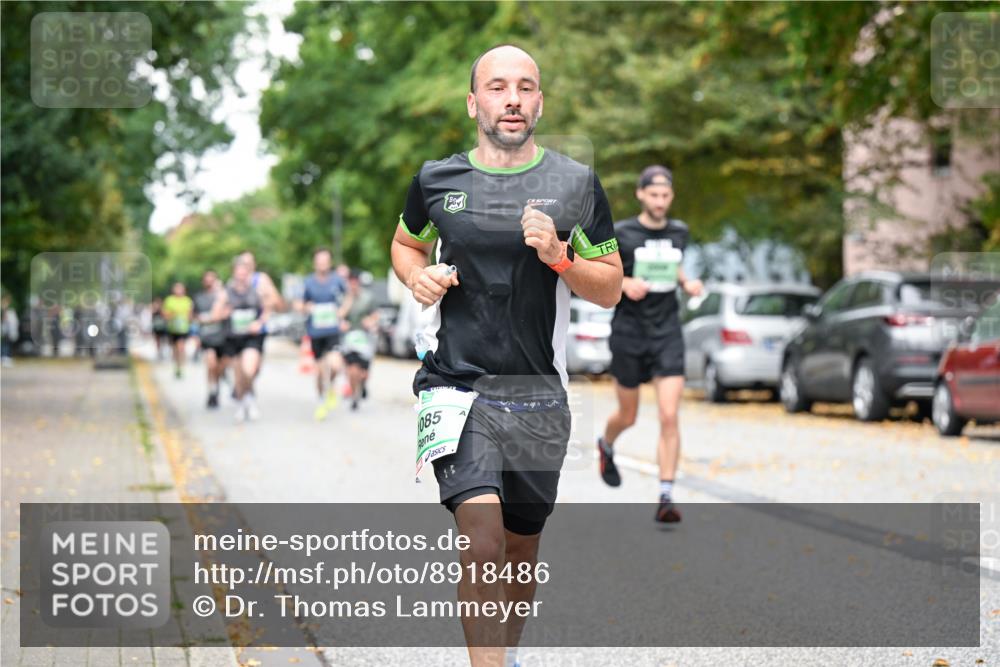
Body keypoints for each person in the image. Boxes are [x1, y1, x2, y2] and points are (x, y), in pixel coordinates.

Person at [390, 44, 622, 667]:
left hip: (539, 395)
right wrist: (417, 277)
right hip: (456, 388)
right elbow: (406, 244)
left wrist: (560, 257)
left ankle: (506, 656)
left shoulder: (574, 183)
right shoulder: (436, 179)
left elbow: (610, 286)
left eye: (525, 87)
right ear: (474, 103)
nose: (512, 98)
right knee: (482, 540)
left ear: (540, 101)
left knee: (520, 547)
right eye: (497, 87)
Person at [597, 165, 704, 524]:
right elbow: (602, 274)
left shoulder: (680, 232)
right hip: (629, 330)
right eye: (654, 195)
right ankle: (606, 444)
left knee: (669, 414)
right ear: (641, 194)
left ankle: (665, 495)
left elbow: (672, 266)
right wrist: (624, 283)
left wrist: (688, 284)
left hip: (667, 331)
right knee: (628, 415)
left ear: (671, 197)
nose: (660, 201)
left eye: (666, 195)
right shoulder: (622, 233)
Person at [214, 257, 270, 422]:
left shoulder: (257, 291)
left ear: (249, 274)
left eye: (245, 274)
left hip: (251, 338)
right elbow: (215, 314)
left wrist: (259, 323)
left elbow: (267, 310)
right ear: (234, 274)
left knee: (249, 369)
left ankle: (249, 399)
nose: (242, 277)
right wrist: (223, 313)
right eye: (239, 274)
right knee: (238, 374)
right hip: (233, 338)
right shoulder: (226, 293)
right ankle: (242, 401)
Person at [295, 248, 348, 420]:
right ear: (315, 262)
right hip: (315, 332)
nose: (322, 263)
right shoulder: (308, 282)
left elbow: (349, 297)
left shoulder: (337, 280)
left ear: (330, 262)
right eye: (319, 260)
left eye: (325, 260)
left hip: (332, 330)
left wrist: (342, 311)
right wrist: (305, 307)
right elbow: (297, 304)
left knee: (335, 366)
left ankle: (331, 386)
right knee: (318, 371)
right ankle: (320, 400)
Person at [340, 270, 379, 411]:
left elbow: (375, 315)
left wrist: (370, 321)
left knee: (362, 371)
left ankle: (361, 385)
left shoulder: (368, 297)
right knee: (351, 370)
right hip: (349, 339)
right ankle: (354, 395)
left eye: (355, 283)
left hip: (364, 339)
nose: (353, 286)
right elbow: (339, 316)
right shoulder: (344, 297)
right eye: (351, 283)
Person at [194, 270, 227, 408]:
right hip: (207, 337)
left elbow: (227, 313)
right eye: (206, 279)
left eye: (212, 279)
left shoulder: (223, 296)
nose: (209, 282)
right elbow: (193, 316)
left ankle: (216, 386)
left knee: (219, 367)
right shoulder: (199, 298)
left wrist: (214, 317)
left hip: (222, 337)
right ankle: (211, 391)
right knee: (211, 364)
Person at [162, 282, 194, 378]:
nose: (178, 291)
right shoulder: (169, 300)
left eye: (180, 289)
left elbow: (190, 315)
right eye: (177, 288)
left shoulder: (187, 300)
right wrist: (173, 315)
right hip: (172, 329)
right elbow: (165, 314)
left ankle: (181, 367)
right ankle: (176, 365)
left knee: (181, 347)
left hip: (183, 329)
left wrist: (188, 318)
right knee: (174, 348)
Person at [1, 294, 18, 366]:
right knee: (5, 343)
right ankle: (4, 357)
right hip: (5, 328)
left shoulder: (8, 308)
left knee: (8, 343)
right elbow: (4, 318)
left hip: (8, 328)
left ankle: (7, 357)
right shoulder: (3, 308)